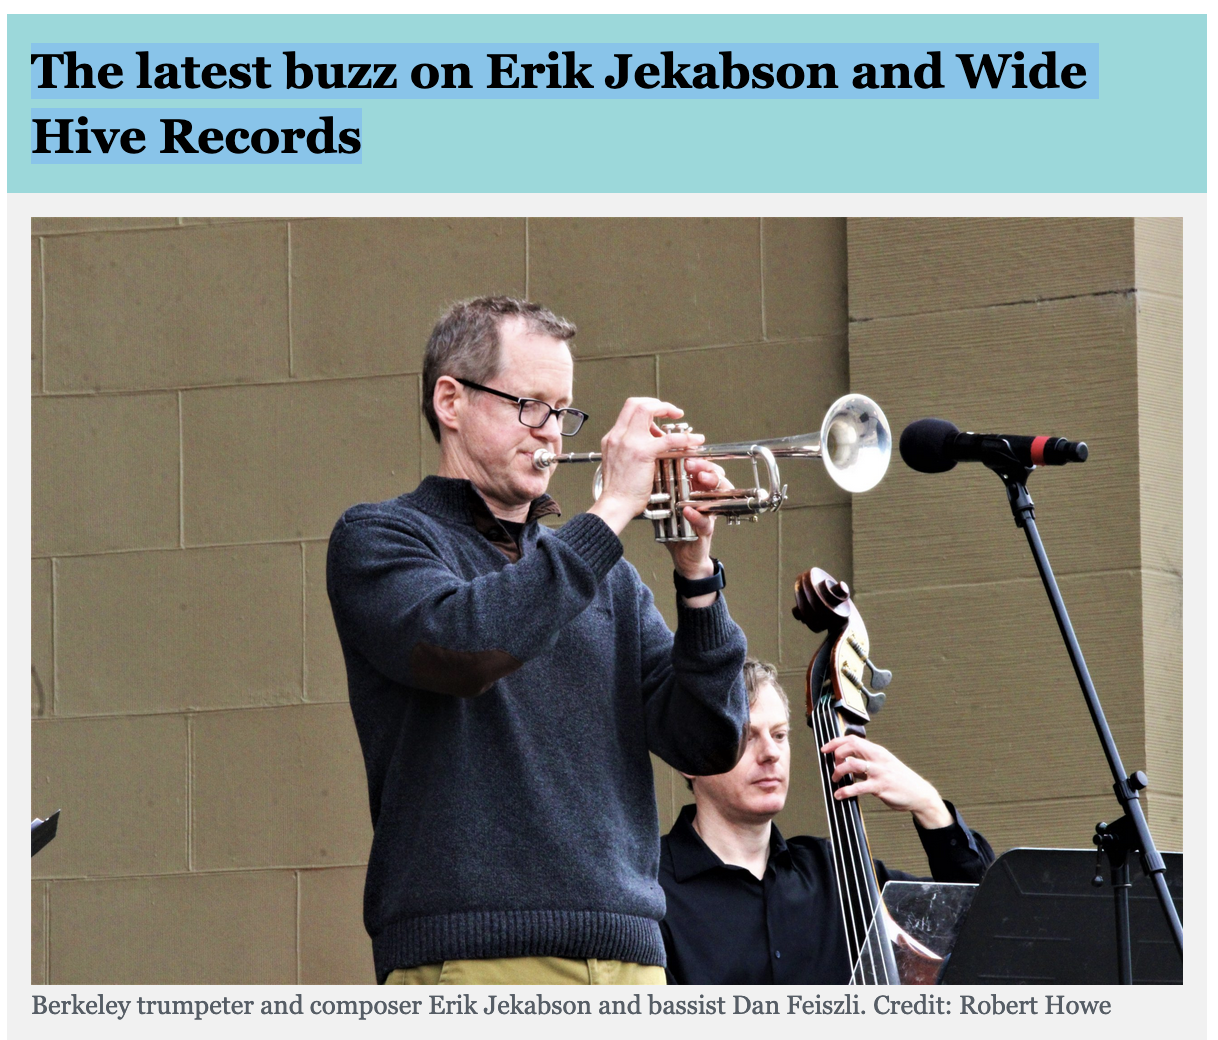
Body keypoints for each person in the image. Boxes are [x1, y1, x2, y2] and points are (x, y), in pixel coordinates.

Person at [326, 296, 749, 986]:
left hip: (632, 959)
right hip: (476, 956)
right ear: (450, 401)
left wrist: (696, 573)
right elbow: (466, 648)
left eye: (563, 411)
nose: (551, 433)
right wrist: (610, 511)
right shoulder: (380, 539)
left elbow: (706, 743)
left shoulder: (603, 580)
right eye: (530, 405)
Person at [659, 658, 993, 985]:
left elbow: (992, 924)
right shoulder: (649, 893)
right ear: (690, 757)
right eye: (747, 736)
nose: (771, 753)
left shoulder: (841, 874)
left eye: (779, 735)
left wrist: (930, 806)